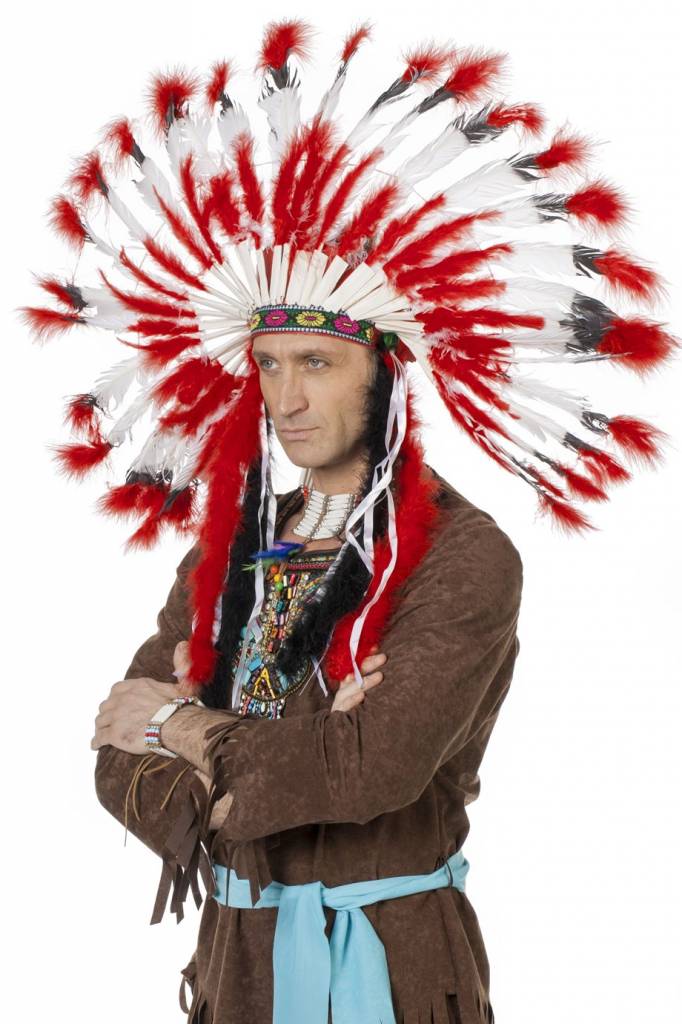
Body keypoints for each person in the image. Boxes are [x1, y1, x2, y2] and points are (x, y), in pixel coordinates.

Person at [21, 17, 676, 1024]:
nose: (286, 397)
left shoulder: (465, 555)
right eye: (269, 364)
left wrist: (183, 724)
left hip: (390, 965)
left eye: (317, 363)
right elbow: (116, 761)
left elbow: (373, 769)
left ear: (384, 377)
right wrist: (283, 751)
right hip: (233, 967)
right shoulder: (229, 548)